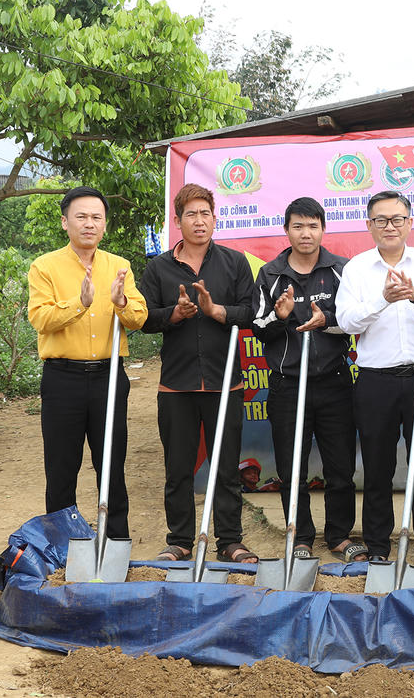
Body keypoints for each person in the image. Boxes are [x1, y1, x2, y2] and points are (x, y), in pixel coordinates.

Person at [335, 190, 414, 568]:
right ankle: (378, 548)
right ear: (369, 224)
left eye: (397, 219)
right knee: (377, 466)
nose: (390, 226)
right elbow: (346, 322)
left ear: (410, 222)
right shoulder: (356, 268)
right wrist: (384, 299)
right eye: (381, 220)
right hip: (375, 380)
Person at [138, 183, 258, 564]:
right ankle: (180, 541)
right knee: (178, 468)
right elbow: (144, 319)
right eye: (191, 214)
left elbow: (250, 311)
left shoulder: (234, 262)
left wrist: (215, 311)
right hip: (176, 384)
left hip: (226, 383)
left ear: (215, 218)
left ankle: (230, 542)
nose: (199, 220)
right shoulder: (158, 268)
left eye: (205, 213)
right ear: (178, 221)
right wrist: (175, 314)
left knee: (226, 467)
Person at [27, 186, 147, 540]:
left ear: (105, 225)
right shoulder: (44, 266)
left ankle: (116, 541)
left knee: (111, 463)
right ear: (65, 222)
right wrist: (79, 304)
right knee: (62, 467)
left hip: (110, 378)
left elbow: (138, 318)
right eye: (81, 216)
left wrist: (122, 302)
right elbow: (40, 319)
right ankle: (62, 545)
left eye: (96, 217)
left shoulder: (119, 267)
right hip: (63, 378)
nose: (89, 224)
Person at [251, 196, 366, 563]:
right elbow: (259, 330)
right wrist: (281, 316)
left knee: (340, 467)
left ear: (323, 229)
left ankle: (339, 535)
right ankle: (299, 535)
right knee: (290, 467)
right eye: (298, 226)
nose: (306, 233)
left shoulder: (342, 270)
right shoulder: (270, 274)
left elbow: (353, 319)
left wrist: (326, 320)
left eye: (313, 225)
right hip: (287, 385)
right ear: (286, 230)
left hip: (334, 382)